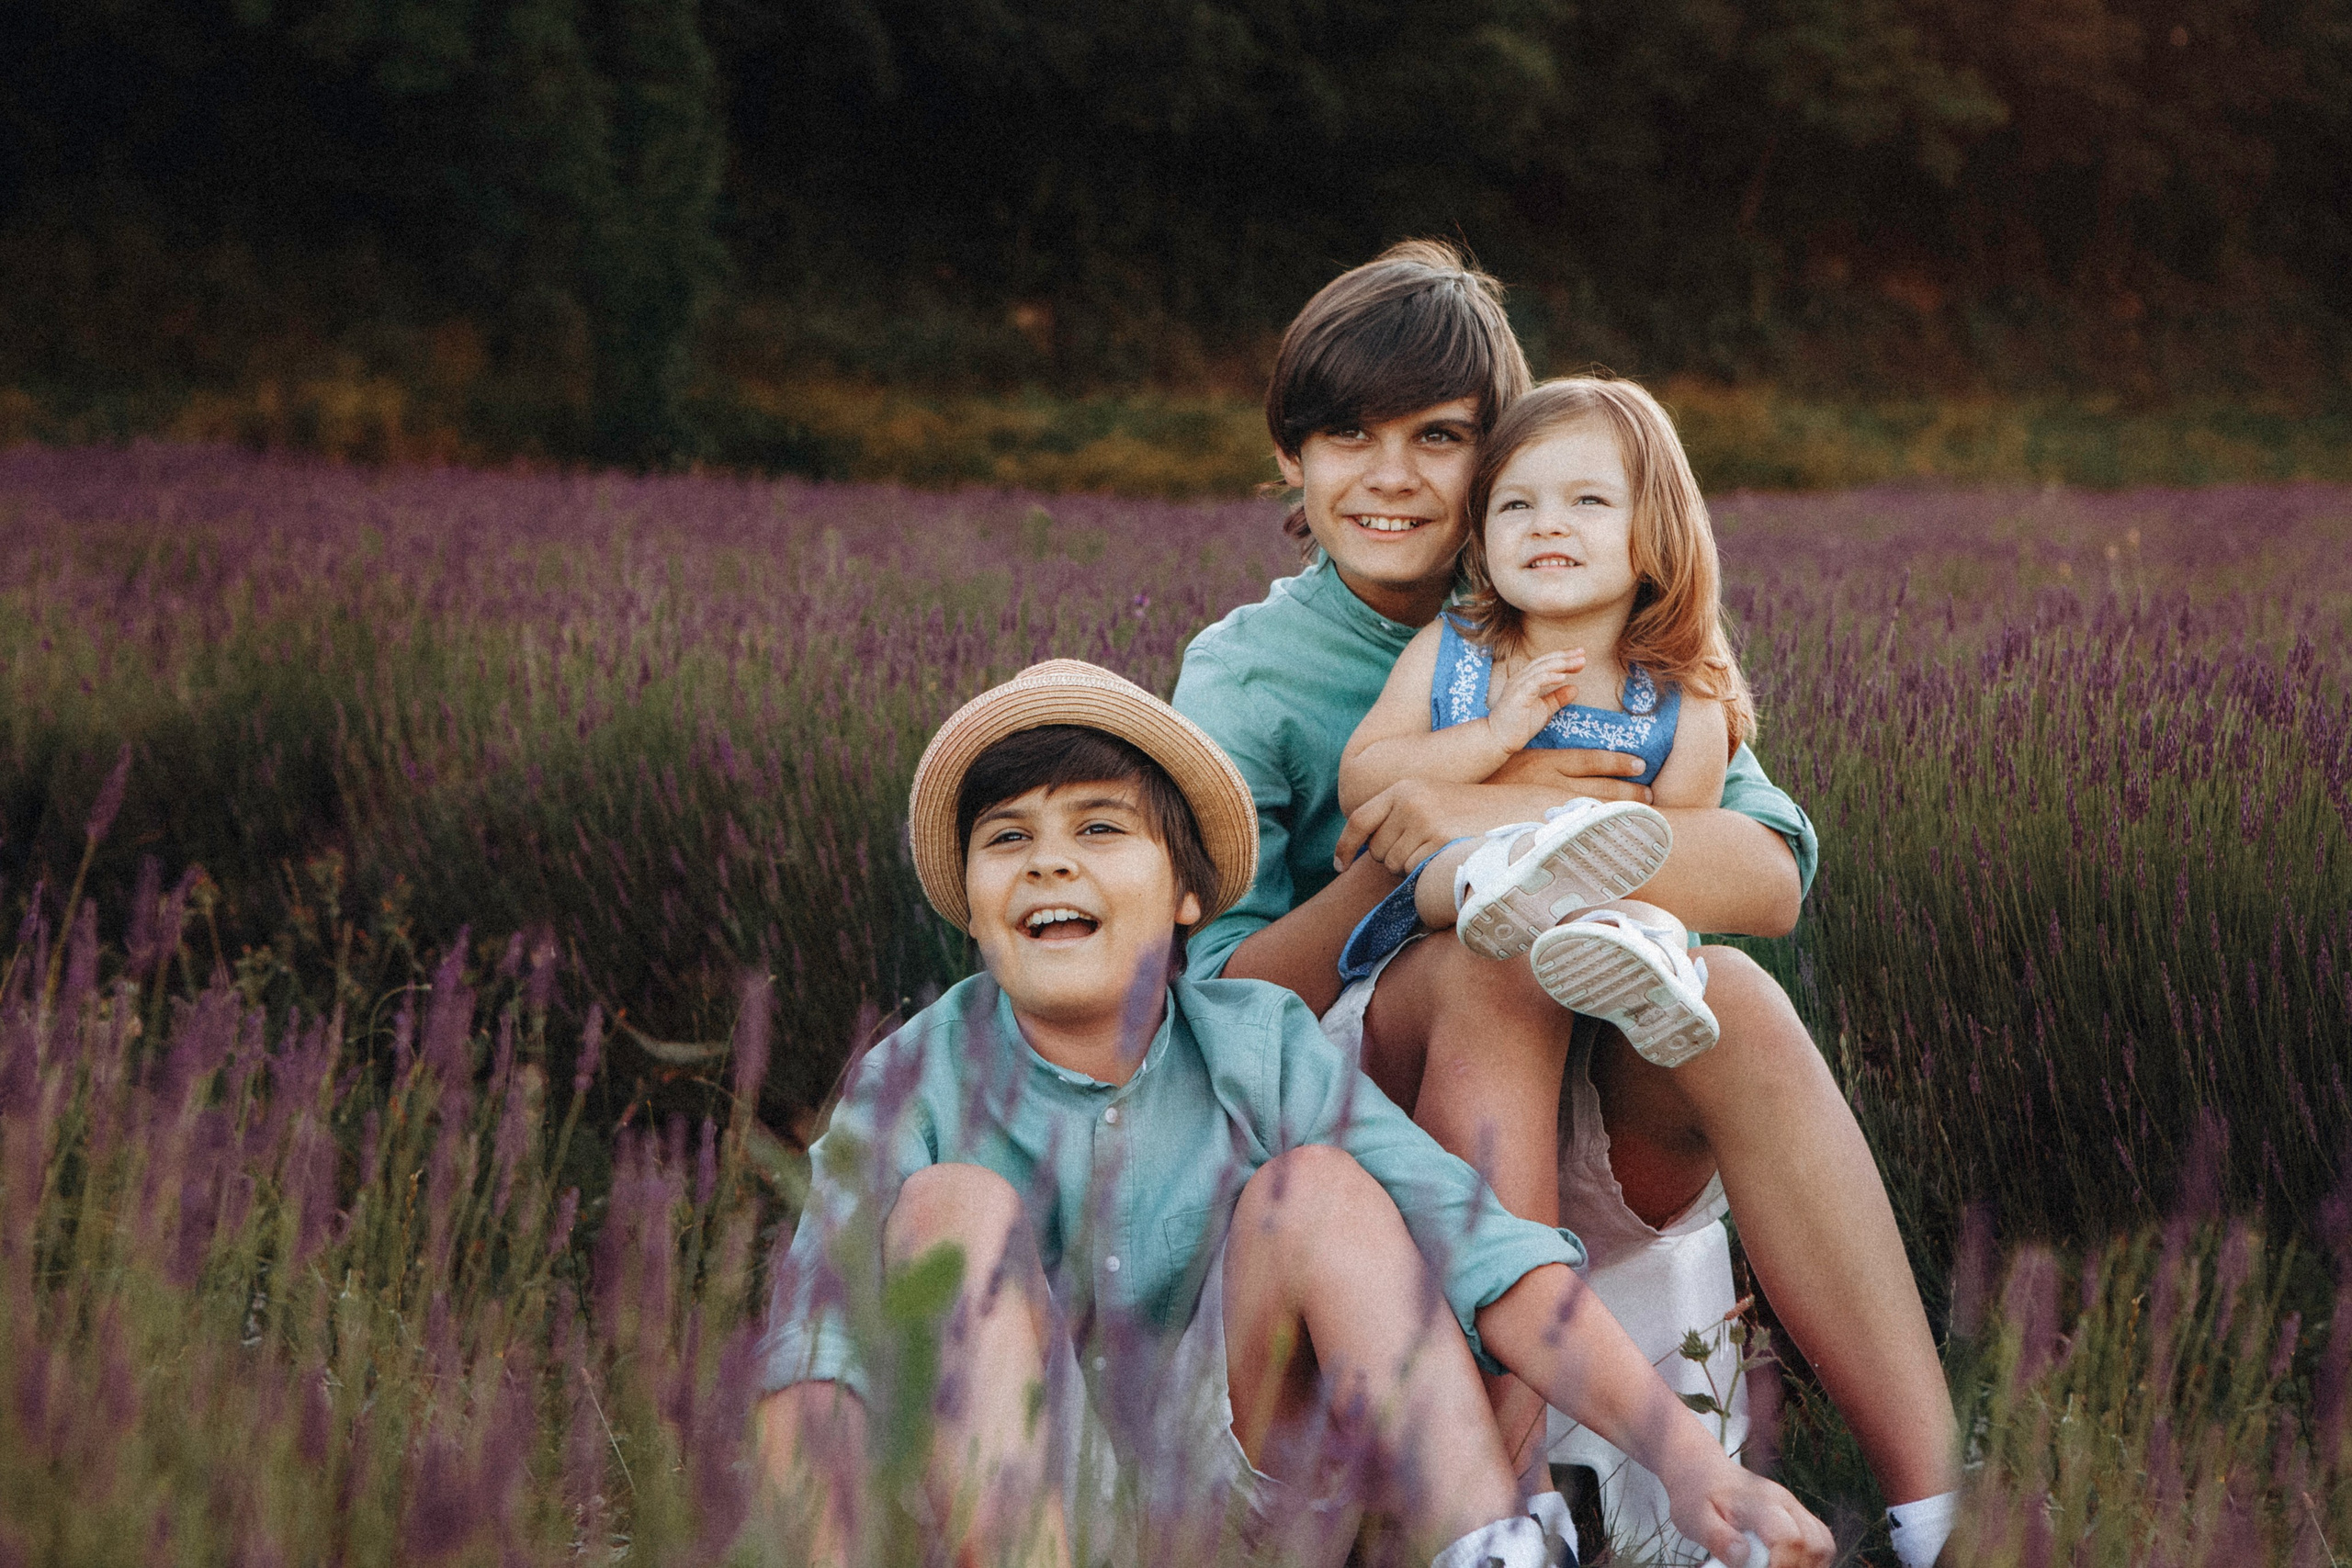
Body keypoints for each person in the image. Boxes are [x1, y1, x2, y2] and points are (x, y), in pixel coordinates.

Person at [1170, 243, 1960, 1568]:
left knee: (1732, 992)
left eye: (1438, 437)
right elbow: (1218, 1003)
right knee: (1491, 961)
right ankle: (1500, 1499)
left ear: (1498, 459)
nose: (1391, 475)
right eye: (1348, 434)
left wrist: (1511, 813)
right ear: (1291, 459)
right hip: (1360, 1122)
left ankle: (1942, 1512)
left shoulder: (1596, 614)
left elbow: (1766, 872)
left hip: (1591, 1096)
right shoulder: (1250, 673)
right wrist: (1406, 850)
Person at [753, 659, 1832, 1568]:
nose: (1050, 860)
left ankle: (1488, 1547)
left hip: (1234, 1493)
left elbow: (1481, 1245)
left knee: (1319, 1188)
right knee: (950, 1207)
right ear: (975, 910)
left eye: (1099, 827)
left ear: (1186, 895)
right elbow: (817, 1341)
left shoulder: (1257, 1044)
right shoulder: (913, 1075)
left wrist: (1689, 1462)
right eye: (1006, 839)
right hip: (1011, 1496)